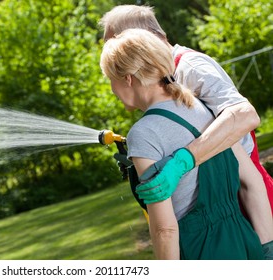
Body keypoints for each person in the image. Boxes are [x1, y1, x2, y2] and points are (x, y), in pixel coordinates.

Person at [99, 4, 273, 258]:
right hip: (240, 222)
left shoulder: (190, 67)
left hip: (249, 208)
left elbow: (245, 115)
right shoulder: (186, 98)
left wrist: (181, 161)